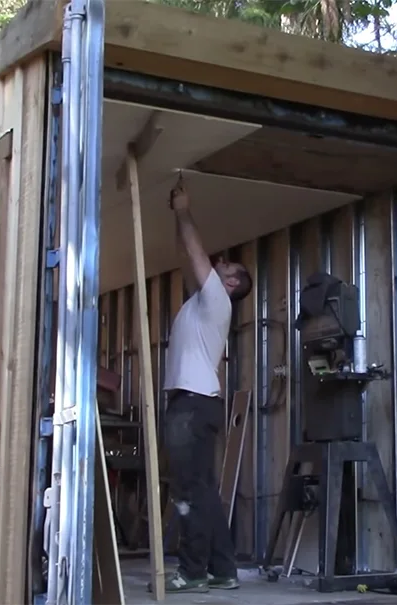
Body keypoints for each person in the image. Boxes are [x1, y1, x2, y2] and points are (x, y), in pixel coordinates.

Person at [158, 177, 252, 593]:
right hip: (198, 404)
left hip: (191, 405)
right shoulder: (203, 300)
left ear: (231, 285)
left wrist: (183, 210)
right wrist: (177, 220)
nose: (222, 263)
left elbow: (197, 253)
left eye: (228, 268)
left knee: (188, 492)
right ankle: (223, 569)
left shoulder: (218, 301)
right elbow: (188, 255)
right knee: (204, 491)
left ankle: (193, 572)